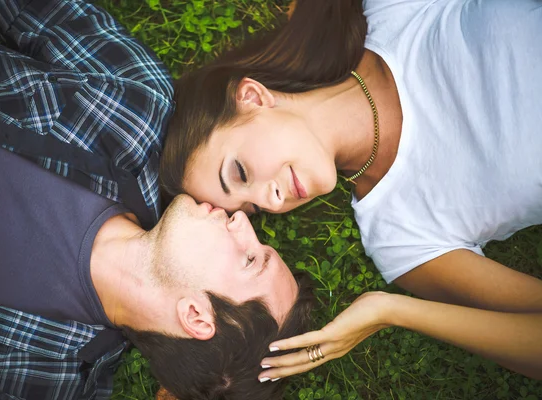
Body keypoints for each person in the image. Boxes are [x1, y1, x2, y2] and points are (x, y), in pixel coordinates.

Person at [0, 1, 314, 398]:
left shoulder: (46, 382)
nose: (242, 222)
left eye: (250, 258)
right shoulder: (138, 114)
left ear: (196, 316)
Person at [159, 0, 542, 382]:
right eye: (253, 209)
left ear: (252, 97)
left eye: (241, 173)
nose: (271, 200)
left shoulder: (389, 11)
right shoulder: (399, 233)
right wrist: (390, 311)